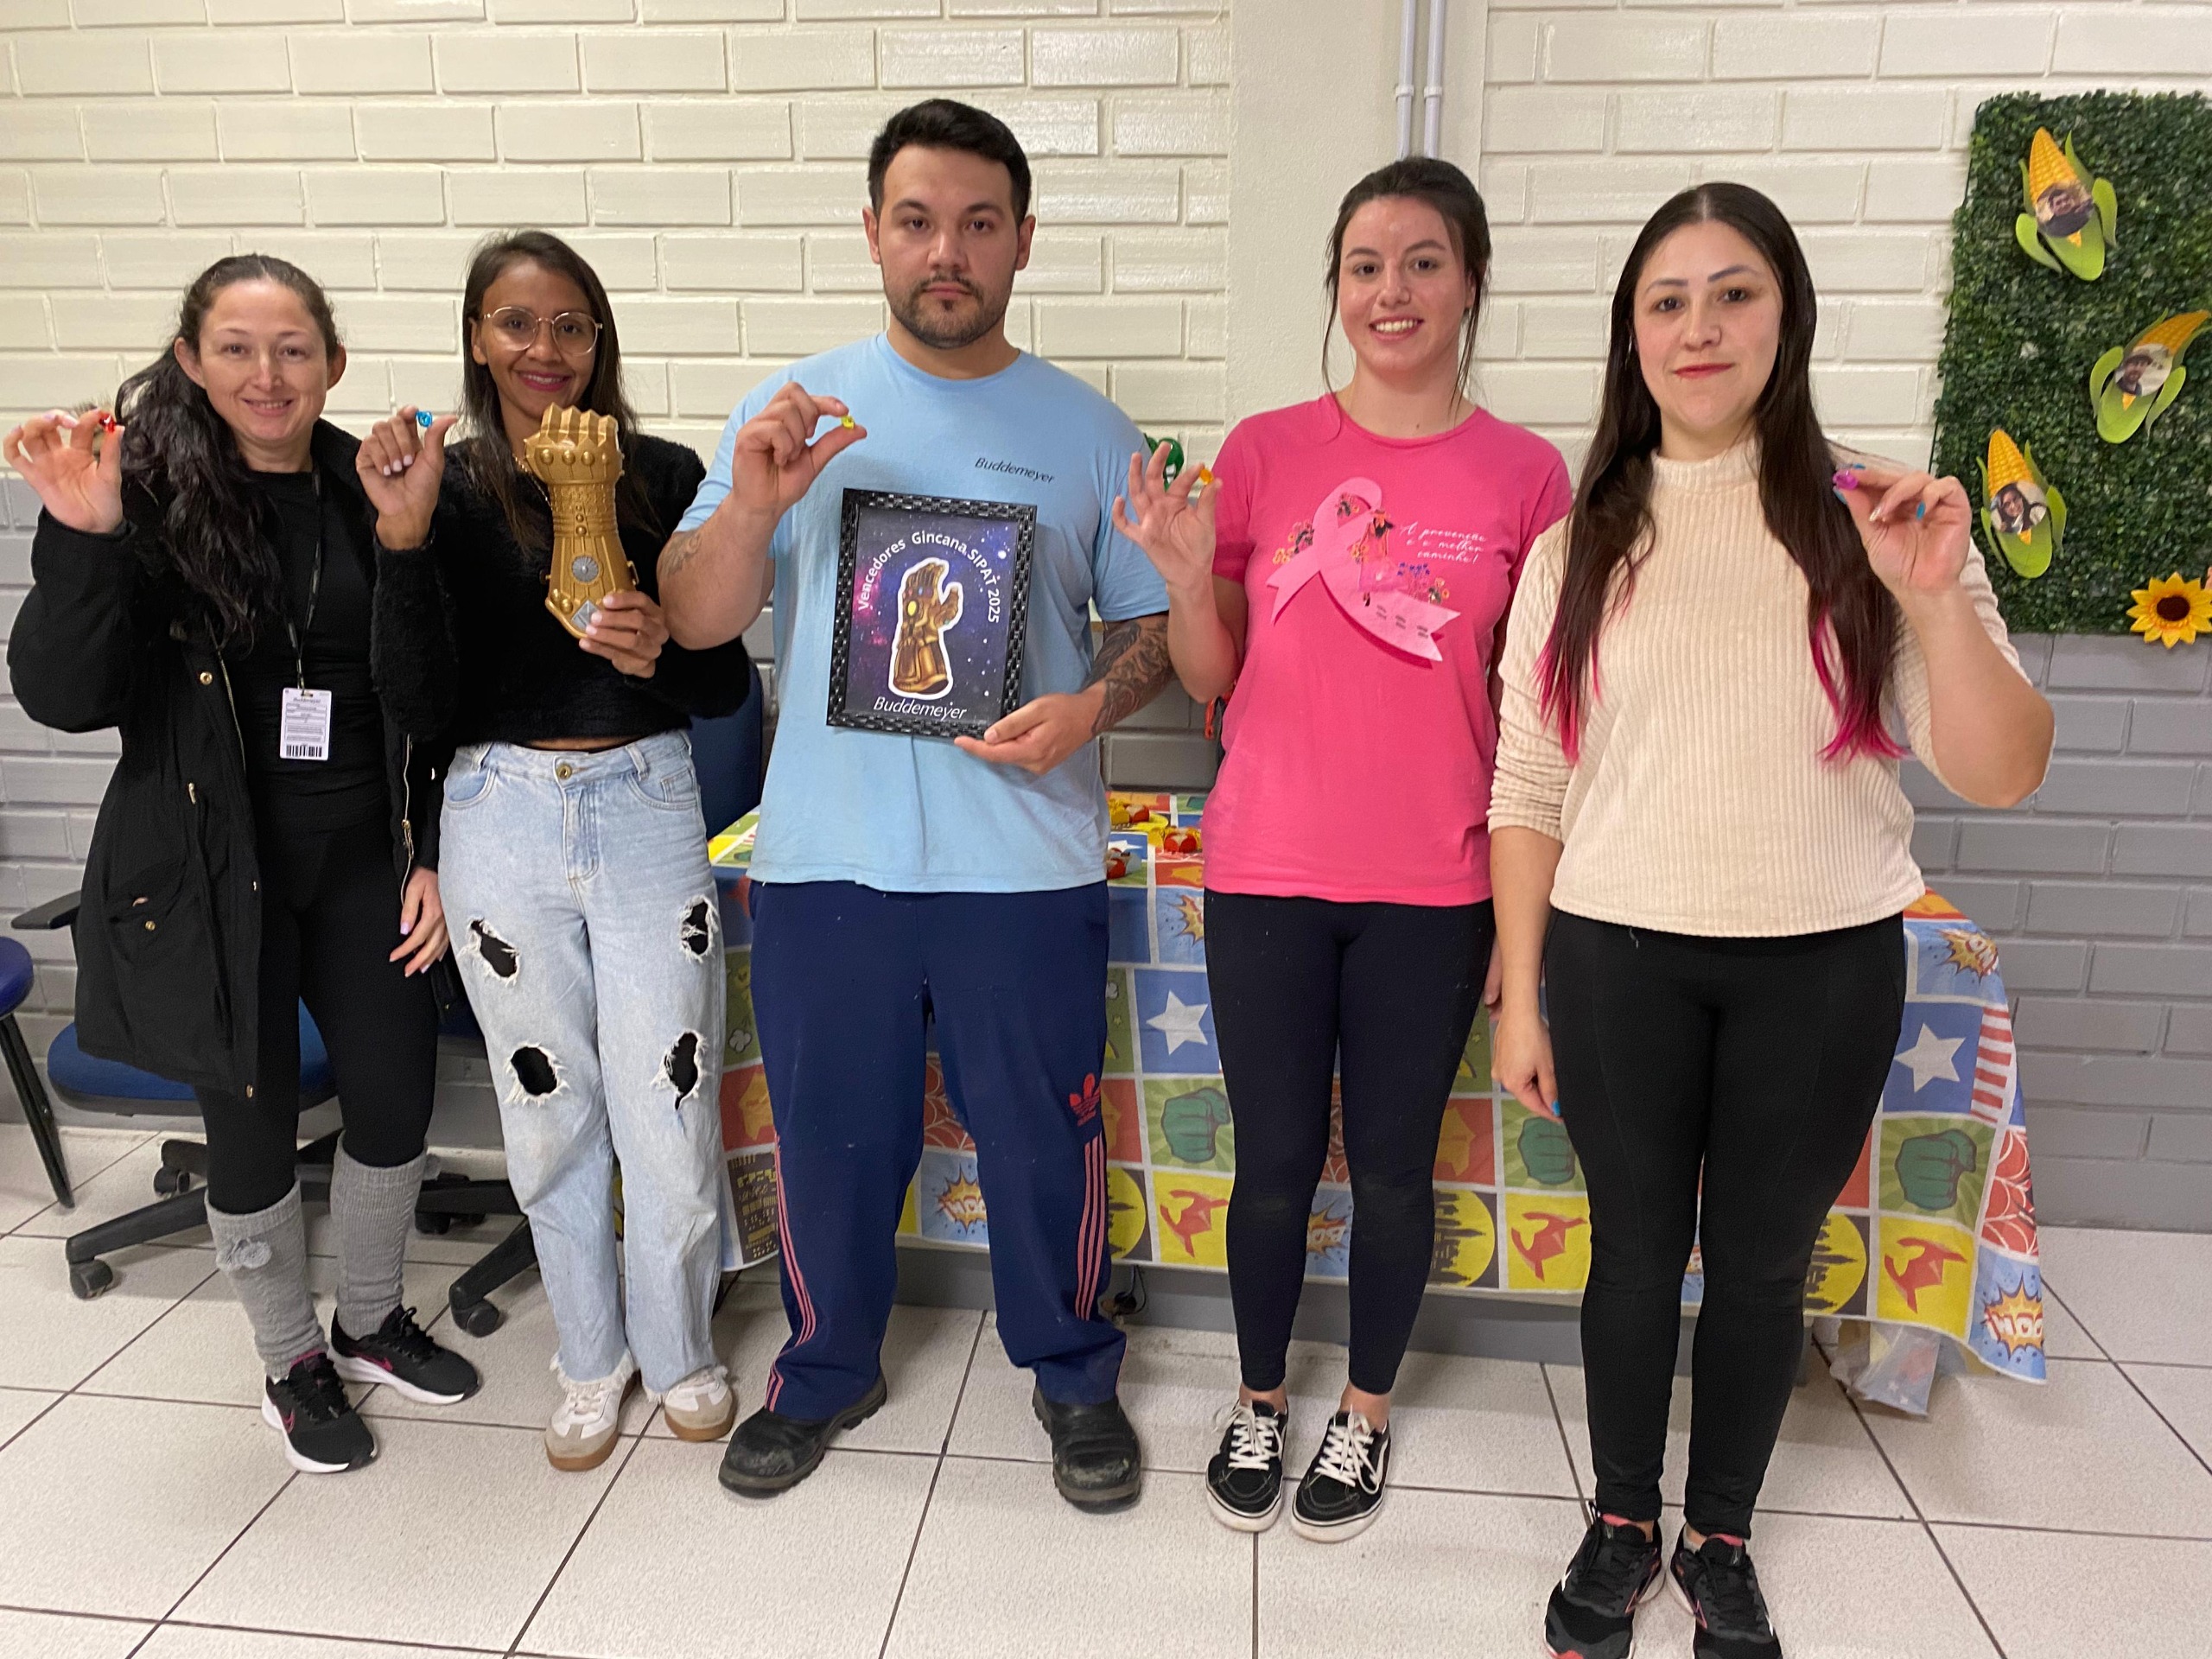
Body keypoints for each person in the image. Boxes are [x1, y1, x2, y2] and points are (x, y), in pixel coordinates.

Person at [1486, 184, 2052, 1659]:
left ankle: (1719, 1534)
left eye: (1734, 293)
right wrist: (1522, 993)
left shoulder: (1878, 526)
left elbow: (2002, 770)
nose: (1700, 328)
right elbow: (1529, 785)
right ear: (1630, 333)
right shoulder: (1577, 547)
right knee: (1631, 1254)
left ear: (1787, 316)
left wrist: (1939, 601)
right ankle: (1622, 1520)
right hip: (1616, 959)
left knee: (1758, 1265)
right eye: (1666, 300)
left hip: (1823, 966)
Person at [657, 99, 1177, 1511]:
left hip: (1026, 867)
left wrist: (1088, 708)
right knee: (832, 1140)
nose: (947, 250)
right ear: (874, 234)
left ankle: (1073, 1372)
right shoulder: (794, 410)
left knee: (1045, 1141)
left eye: (978, 222)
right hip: (830, 861)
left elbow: (1153, 630)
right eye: (917, 220)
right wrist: (753, 506)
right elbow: (697, 621)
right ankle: (826, 1368)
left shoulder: (1089, 432)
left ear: (1022, 240)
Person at [1114, 157, 1570, 1541]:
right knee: (1267, 1164)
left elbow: (1541, 713)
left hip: (1437, 883)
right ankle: (1260, 1395)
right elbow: (1214, 673)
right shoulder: (1263, 453)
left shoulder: (1529, 476)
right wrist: (1185, 577)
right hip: (1267, 868)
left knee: (1391, 1171)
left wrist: (1530, 924)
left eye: (1424, 261)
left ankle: (1364, 1412)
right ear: (1336, 288)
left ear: (1470, 283)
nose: (1393, 291)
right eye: (1366, 266)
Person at [4, 256, 480, 1475]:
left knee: (394, 1102)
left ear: (333, 362)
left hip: (366, 859)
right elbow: (63, 695)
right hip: (214, 875)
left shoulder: (372, 488)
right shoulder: (141, 503)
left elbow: (431, 694)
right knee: (255, 1131)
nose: (267, 375)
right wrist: (85, 538)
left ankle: (368, 1319)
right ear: (191, 360)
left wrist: (432, 852)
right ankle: (289, 1358)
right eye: (236, 348)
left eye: (293, 349)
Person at [361, 232, 755, 1473]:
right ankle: (590, 1354)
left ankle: (677, 1344)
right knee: (547, 1111)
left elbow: (724, 685)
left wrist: (661, 649)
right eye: (518, 323)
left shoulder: (663, 474)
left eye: (571, 324)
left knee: (670, 1102)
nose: (547, 348)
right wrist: (404, 541)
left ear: (600, 339)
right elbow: (416, 701)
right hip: (500, 812)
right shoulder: (445, 486)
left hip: (645, 800)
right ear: (479, 338)